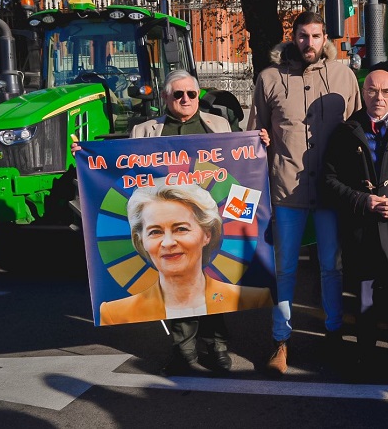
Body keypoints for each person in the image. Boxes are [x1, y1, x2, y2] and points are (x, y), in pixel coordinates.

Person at [74, 69, 270, 375]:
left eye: (191, 94)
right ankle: (184, 350)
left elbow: (241, 167)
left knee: (214, 283)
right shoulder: (144, 131)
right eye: (178, 94)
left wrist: (260, 143)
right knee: (175, 288)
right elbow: (121, 171)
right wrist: (85, 155)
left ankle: (217, 346)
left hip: (206, 219)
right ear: (165, 98)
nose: (186, 99)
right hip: (165, 220)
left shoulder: (219, 125)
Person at [247, 11, 362, 374]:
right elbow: (252, 134)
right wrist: (261, 140)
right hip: (286, 191)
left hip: (330, 192)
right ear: (292, 38)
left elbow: (359, 128)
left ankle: (333, 335)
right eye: (302, 36)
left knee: (331, 268)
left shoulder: (344, 75)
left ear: (325, 37)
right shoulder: (269, 78)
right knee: (285, 270)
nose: (309, 43)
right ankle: (280, 341)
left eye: (315, 36)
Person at [322, 69, 388, 366]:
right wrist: (361, 199)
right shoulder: (345, 132)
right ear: (362, 92)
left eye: (385, 92)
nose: (378, 98)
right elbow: (330, 181)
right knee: (364, 299)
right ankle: (365, 357)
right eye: (372, 91)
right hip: (362, 230)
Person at [99, 183, 272, 325]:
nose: (168, 243)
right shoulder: (113, 312)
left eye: (181, 229)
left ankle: (216, 347)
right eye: (155, 232)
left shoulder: (255, 298)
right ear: (141, 240)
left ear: (207, 234)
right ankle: (183, 353)